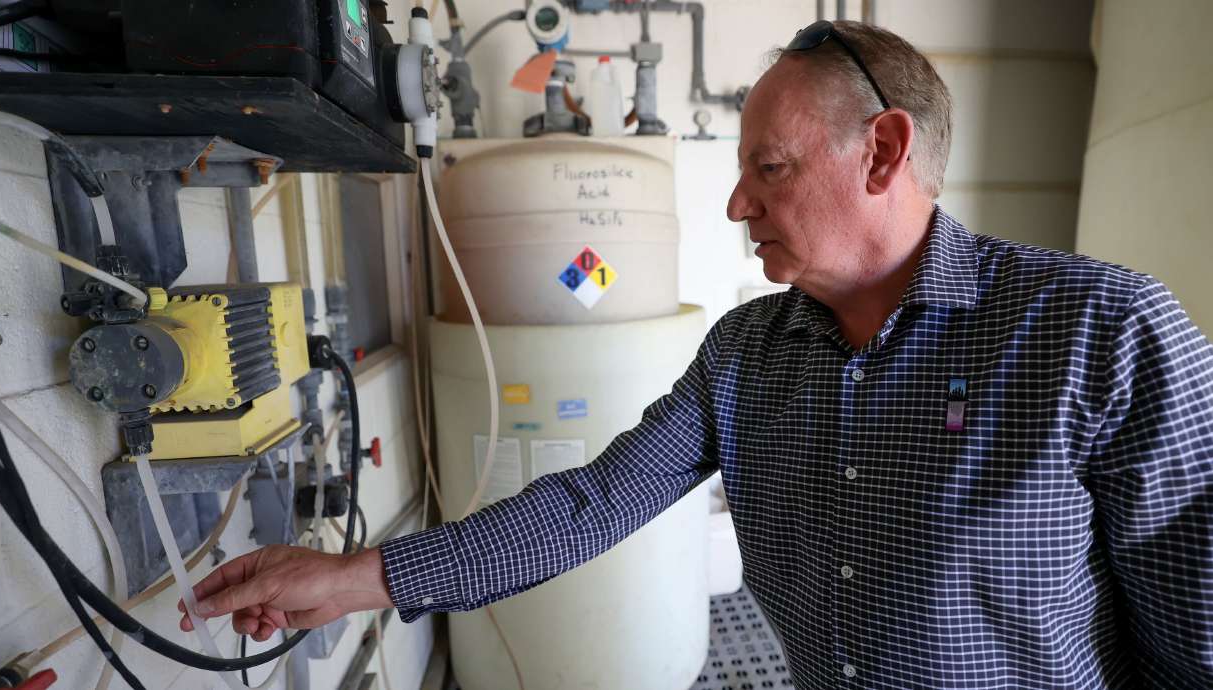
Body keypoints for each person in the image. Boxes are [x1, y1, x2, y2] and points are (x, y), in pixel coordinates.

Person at [178, 20, 1213, 688]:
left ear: (885, 154)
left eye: (767, 167)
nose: (733, 204)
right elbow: (585, 506)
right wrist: (356, 579)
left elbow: (1196, 640)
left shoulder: (1101, 336)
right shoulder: (744, 355)